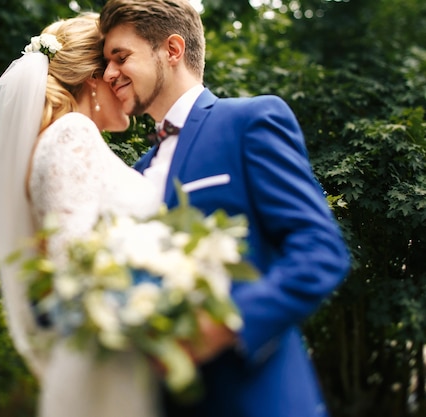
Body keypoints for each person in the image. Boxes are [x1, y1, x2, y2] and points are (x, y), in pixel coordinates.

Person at [99, 1, 351, 416]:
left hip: (258, 398)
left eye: (120, 57)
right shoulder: (134, 173)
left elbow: (321, 250)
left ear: (173, 50)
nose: (109, 74)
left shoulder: (250, 121)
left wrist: (226, 324)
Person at [0, 13, 163, 417]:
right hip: (105, 368)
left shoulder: (61, 138)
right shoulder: (72, 136)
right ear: (94, 79)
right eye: (114, 67)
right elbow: (77, 269)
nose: (123, 80)